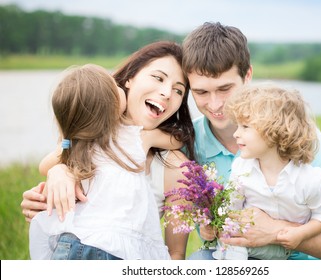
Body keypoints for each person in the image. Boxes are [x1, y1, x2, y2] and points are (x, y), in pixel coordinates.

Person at [182, 22, 321, 260]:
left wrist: (276, 231)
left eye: (225, 88)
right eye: (201, 93)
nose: (215, 104)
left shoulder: (295, 135)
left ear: (247, 76)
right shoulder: (188, 143)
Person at [22, 41, 195, 260]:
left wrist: (151, 136)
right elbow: (54, 160)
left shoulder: (174, 166)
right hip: (77, 243)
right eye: (158, 78)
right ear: (130, 78)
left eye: (179, 90)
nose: (167, 93)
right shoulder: (92, 134)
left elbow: (176, 253)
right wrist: (59, 171)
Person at [211, 84, 321, 260]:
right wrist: (215, 222)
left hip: (287, 252)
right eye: (237, 126)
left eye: (245, 126)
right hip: (246, 246)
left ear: (275, 131)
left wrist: (299, 234)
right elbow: (232, 207)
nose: (236, 134)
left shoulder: (307, 179)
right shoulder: (242, 167)